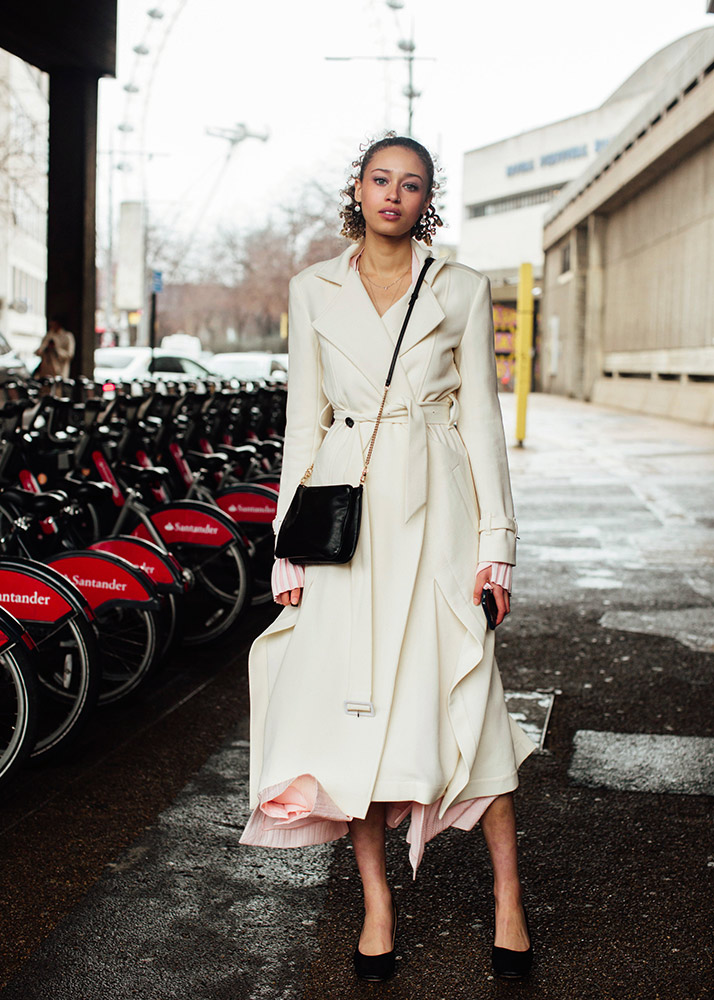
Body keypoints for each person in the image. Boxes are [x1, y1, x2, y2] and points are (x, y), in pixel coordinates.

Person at [240, 133, 535, 982]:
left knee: (469, 698)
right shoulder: (313, 289)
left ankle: (510, 901)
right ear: (359, 191)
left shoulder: (463, 289)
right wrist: (286, 545)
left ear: (426, 200)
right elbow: (305, 418)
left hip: (440, 509)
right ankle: (376, 905)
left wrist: (497, 546)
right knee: (353, 716)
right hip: (346, 517)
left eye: (412, 185)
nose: (394, 196)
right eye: (381, 180)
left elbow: (481, 419)